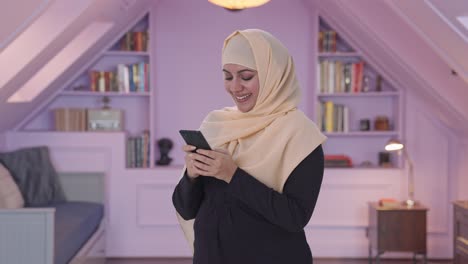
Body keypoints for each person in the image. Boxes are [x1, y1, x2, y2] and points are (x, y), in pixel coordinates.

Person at [172, 29, 326, 264]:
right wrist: (192, 176)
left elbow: (295, 217)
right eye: (227, 76)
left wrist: (232, 175)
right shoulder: (216, 124)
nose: (235, 87)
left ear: (273, 75)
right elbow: (186, 209)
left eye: (245, 77)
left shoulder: (299, 133)